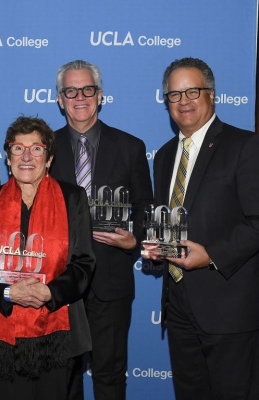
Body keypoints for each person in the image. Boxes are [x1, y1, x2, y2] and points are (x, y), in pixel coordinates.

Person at [150, 57, 259, 400]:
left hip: (228, 309)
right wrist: (156, 248)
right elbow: (168, 219)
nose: (183, 102)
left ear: (211, 94)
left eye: (192, 91)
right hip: (179, 306)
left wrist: (211, 256)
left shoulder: (245, 146)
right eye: (174, 95)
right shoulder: (165, 155)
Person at [0, 116, 95, 400]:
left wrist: (49, 291)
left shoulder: (73, 197)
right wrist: (10, 292)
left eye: (36, 148)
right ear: (8, 156)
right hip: (5, 329)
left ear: (48, 158)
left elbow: (84, 263)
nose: (27, 156)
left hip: (59, 331)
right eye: (18, 148)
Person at [50, 60, 153, 400]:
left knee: (109, 376)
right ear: (60, 99)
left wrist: (134, 237)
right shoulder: (41, 149)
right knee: (63, 376)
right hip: (57, 282)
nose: (80, 97)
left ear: (100, 95)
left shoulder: (130, 147)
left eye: (87, 89)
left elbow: (145, 208)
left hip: (111, 280)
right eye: (71, 91)